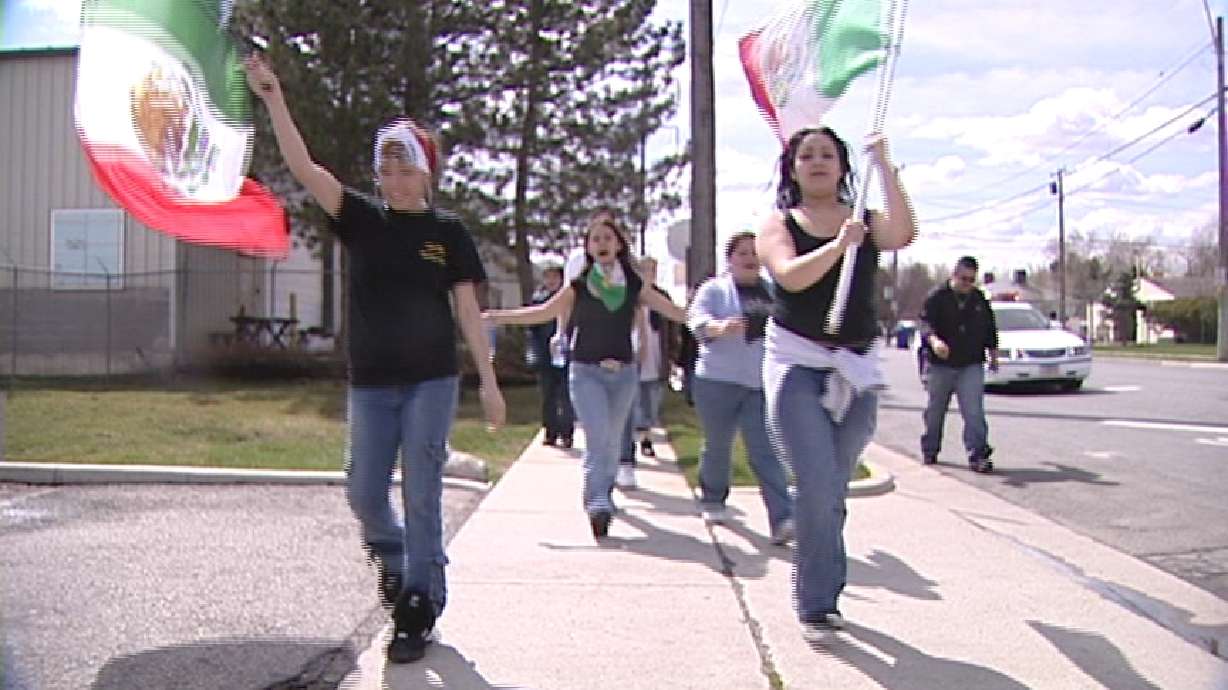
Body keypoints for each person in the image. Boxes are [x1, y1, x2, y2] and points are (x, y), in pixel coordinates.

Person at [244, 54, 505, 665]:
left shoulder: (450, 233)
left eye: (401, 162)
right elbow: (304, 168)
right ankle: (394, 562)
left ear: (424, 172)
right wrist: (274, 97)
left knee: (421, 487)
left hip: (432, 380)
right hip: (372, 383)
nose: (389, 171)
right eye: (383, 162)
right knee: (363, 490)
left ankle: (420, 600)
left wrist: (488, 380)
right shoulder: (361, 219)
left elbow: (469, 312)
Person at [756, 126, 916, 641]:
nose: (818, 162)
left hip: (857, 365)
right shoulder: (778, 224)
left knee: (833, 489)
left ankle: (823, 584)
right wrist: (837, 246)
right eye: (808, 155)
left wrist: (886, 167)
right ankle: (816, 604)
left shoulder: (865, 219)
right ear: (793, 168)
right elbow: (789, 276)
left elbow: (904, 234)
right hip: (798, 364)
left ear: (844, 167)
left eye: (828, 154)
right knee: (817, 481)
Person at [484, 213, 686, 538]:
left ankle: (602, 490)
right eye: (595, 239)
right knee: (597, 438)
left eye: (608, 238)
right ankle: (597, 503)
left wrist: (703, 320)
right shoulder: (579, 285)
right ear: (588, 248)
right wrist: (498, 315)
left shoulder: (634, 284)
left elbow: (670, 309)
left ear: (619, 244)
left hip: (623, 373)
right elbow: (544, 311)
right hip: (586, 371)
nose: (602, 244)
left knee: (612, 440)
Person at [688, 232, 794, 544]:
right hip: (717, 381)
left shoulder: (774, 292)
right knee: (718, 444)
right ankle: (713, 498)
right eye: (742, 253)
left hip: (759, 385)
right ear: (730, 259)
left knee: (764, 449)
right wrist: (719, 328)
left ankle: (782, 518)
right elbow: (695, 320)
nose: (749, 258)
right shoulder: (715, 291)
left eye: (754, 253)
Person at [918, 257, 999, 472]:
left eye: (971, 280)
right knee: (935, 411)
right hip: (940, 364)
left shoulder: (979, 299)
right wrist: (935, 341)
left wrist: (994, 354)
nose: (967, 283)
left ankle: (978, 455)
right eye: (963, 278)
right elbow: (925, 324)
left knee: (973, 411)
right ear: (954, 275)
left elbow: (990, 328)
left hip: (970, 363)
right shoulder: (937, 297)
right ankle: (930, 449)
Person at [616, 256, 674, 489]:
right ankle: (632, 450)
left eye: (652, 270)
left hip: (656, 355)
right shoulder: (628, 293)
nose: (648, 274)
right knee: (630, 404)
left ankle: (645, 433)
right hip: (630, 355)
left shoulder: (660, 296)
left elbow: (672, 325)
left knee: (651, 400)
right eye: (645, 270)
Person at [526, 263, 575, 448]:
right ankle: (550, 431)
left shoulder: (569, 299)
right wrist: (534, 354)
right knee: (548, 396)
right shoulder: (539, 300)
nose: (551, 281)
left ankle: (567, 432)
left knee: (566, 396)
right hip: (546, 356)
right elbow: (532, 331)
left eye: (555, 277)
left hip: (566, 354)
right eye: (548, 277)